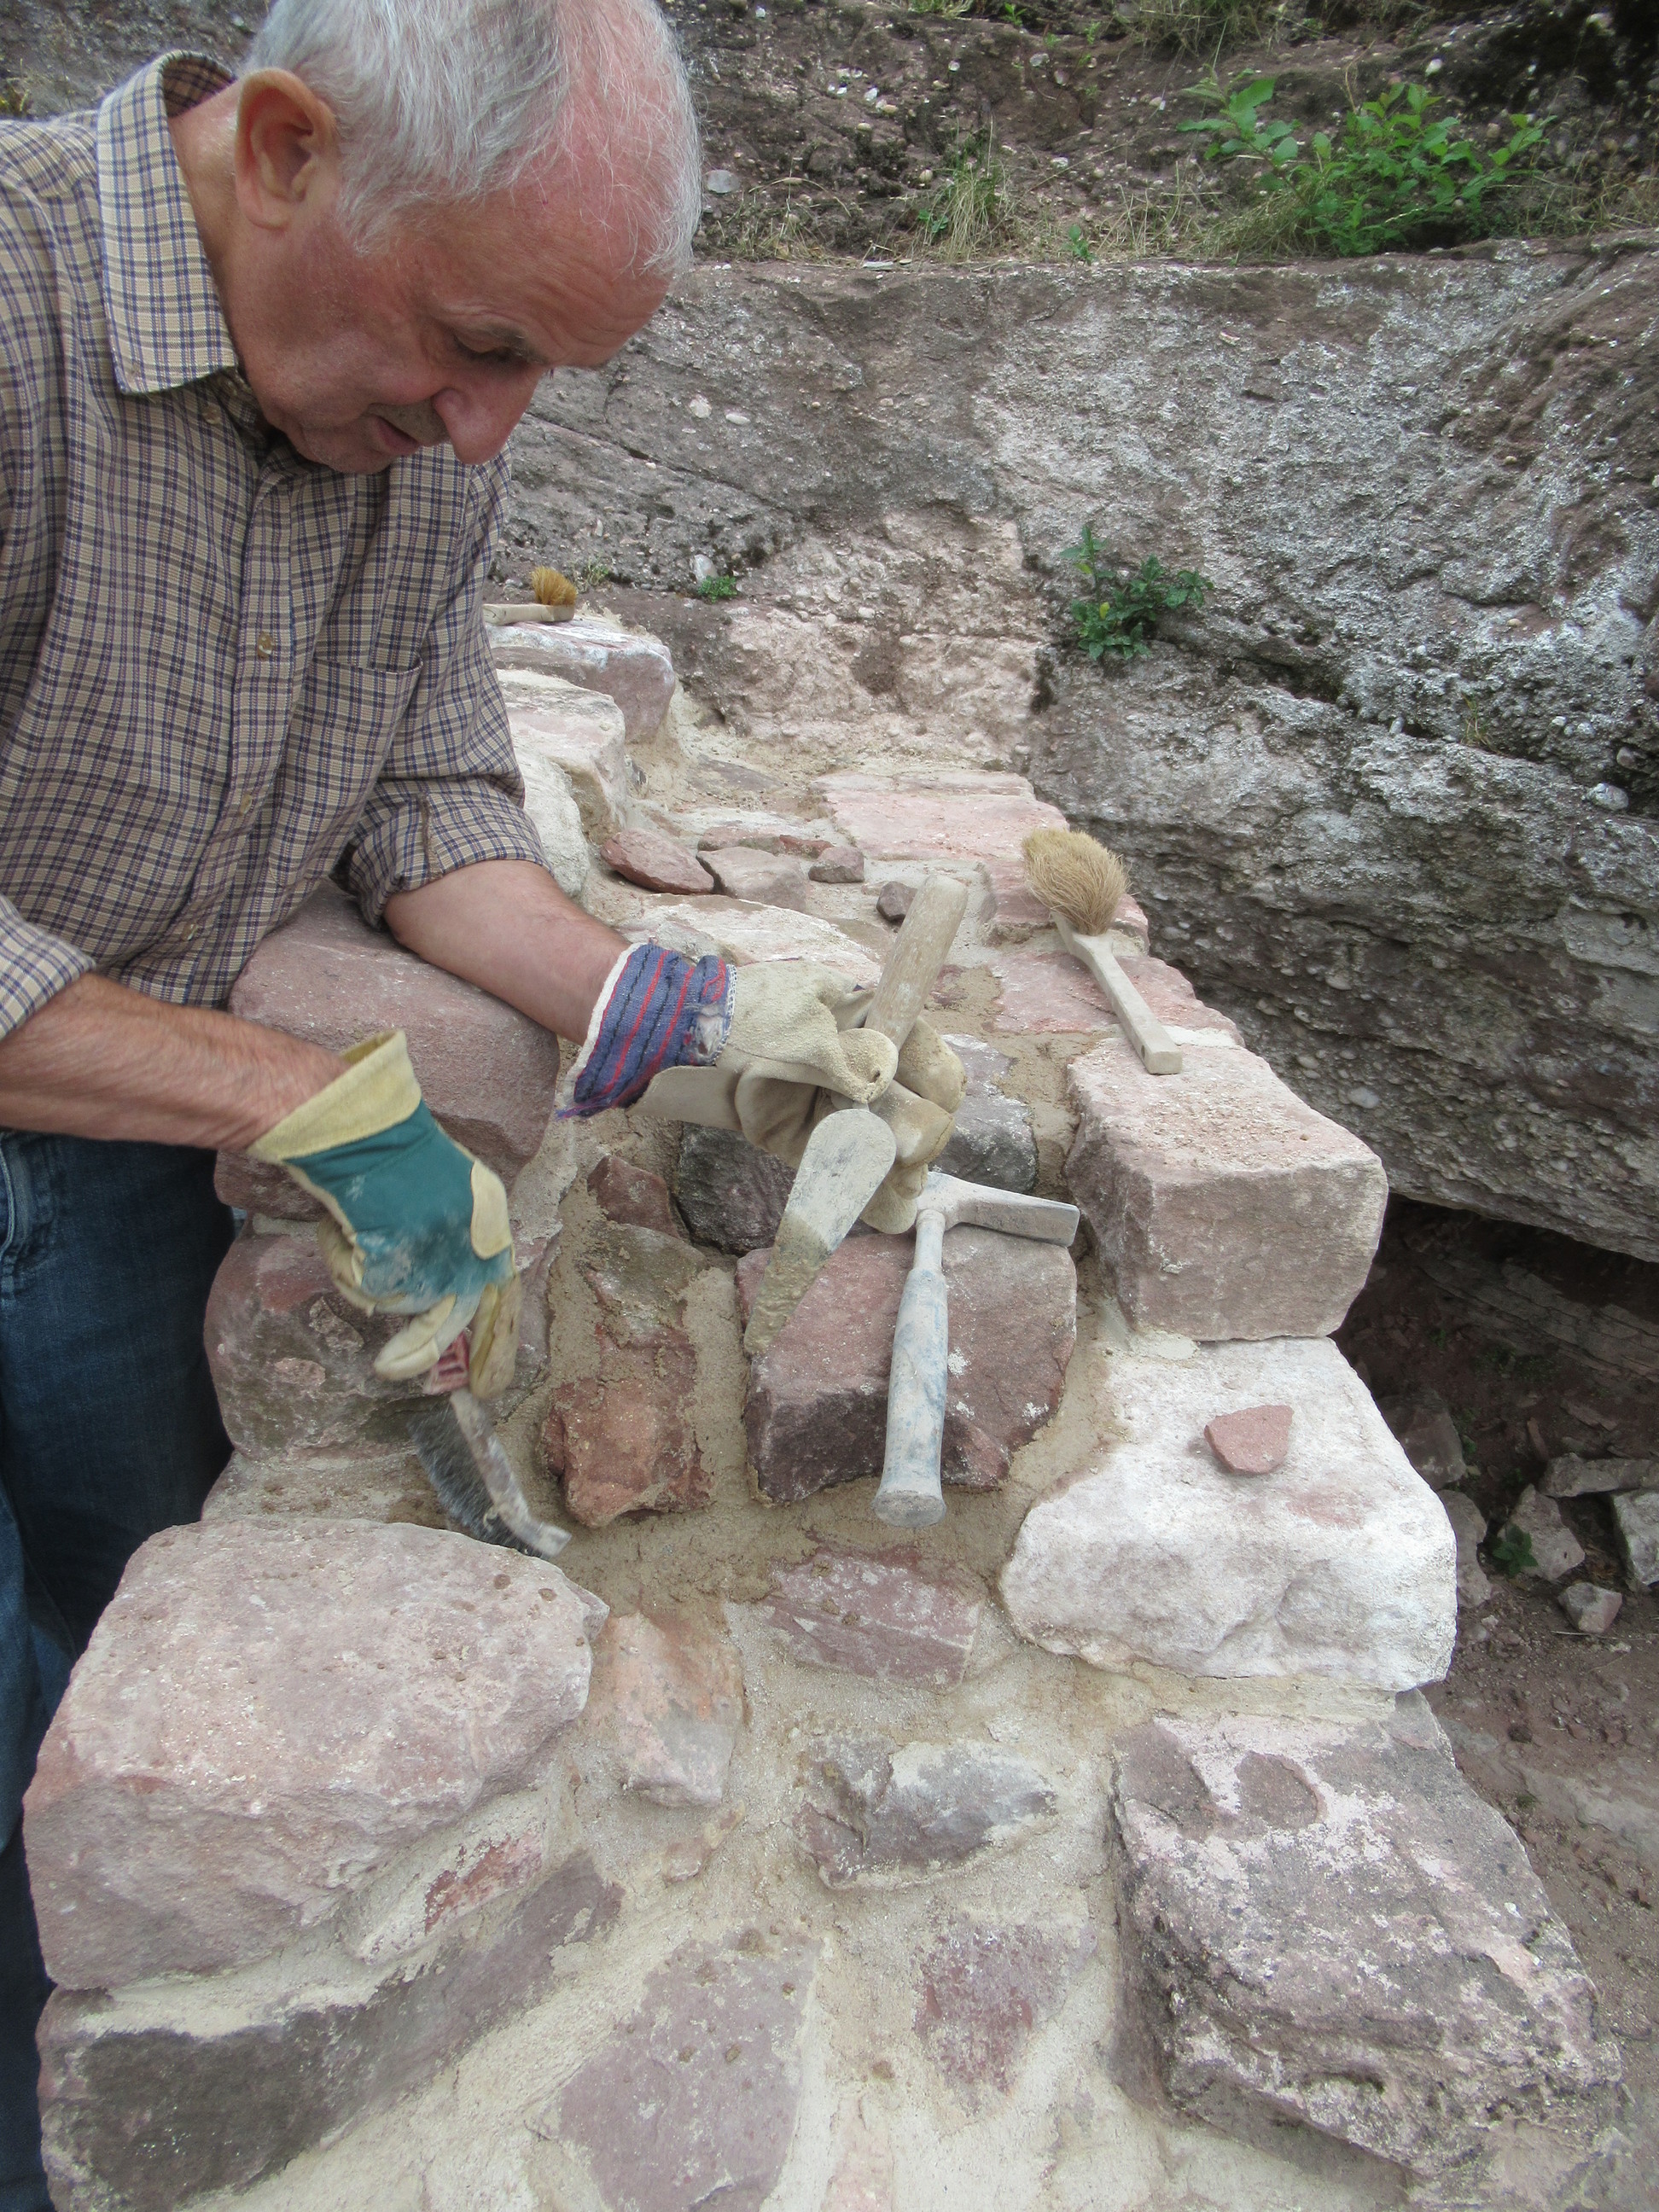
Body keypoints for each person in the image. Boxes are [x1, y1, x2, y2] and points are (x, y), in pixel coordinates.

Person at [0, 2, 963, 2202]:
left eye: (544, 376)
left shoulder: (406, 423)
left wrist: (684, 1014)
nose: (487, 433)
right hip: (134, 1087)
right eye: (480, 344)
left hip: (111, 1166)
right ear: (286, 149)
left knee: (121, 1702)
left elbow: (430, 807)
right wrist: (310, 1098)